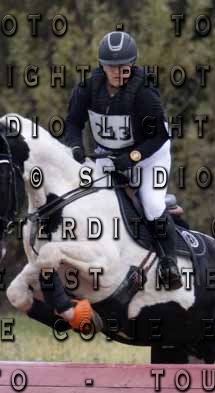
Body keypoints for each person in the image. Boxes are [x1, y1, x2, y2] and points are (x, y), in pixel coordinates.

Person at [63, 31, 181, 290]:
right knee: (87, 200)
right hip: (108, 154)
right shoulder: (86, 89)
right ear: (102, 66)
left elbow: (159, 136)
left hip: (149, 155)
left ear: (132, 65)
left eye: (124, 67)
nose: (118, 72)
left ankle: (169, 263)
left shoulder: (144, 94)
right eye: (112, 67)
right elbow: (72, 123)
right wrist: (75, 146)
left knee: (151, 203)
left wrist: (132, 158)